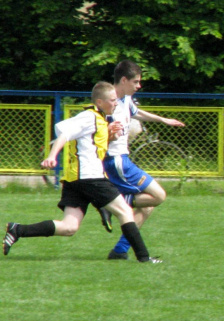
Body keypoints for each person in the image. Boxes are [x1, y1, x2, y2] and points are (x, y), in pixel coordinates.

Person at [3, 81, 161, 263]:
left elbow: (92, 145)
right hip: (90, 177)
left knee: (69, 227)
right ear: (100, 102)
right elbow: (64, 134)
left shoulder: (100, 119)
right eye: (112, 100)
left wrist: (109, 134)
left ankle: (17, 230)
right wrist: (52, 156)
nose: (116, 103)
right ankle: (144, 258)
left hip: (76, 180)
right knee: (125, 212)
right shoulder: (90, 116)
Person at [103, 60, 185, 260]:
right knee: (158, 196)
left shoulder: (126, 99)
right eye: (136, 81)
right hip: (116, 161)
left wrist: (162, 120)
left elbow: (136, 112)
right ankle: (110, 203)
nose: (139, 85)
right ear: (124, 80)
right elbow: (95, 132)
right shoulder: (108, 102)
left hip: (123, 159)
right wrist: (108, 135)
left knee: (147, 206)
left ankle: (120, 251)